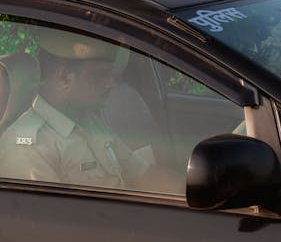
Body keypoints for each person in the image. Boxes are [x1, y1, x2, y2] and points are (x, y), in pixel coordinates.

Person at [0, 29, 181, 193]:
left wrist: (192, 192)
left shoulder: (90, 122)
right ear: (64, 78)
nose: (111, 83)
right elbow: (52, 224)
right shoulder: (29, 147)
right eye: (101, 74)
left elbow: (143, 175)